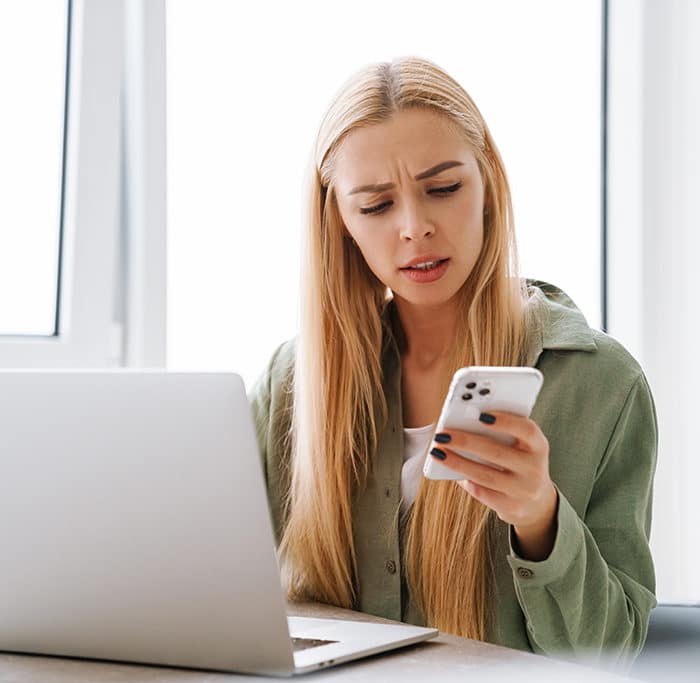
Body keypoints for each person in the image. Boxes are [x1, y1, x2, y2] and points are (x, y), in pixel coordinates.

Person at [250, 56, 657, 666]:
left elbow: (612, 656)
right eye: (376, 206)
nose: (415, 228)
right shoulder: (291, 383)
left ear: (488, 179)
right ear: (338, 220)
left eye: (443, 189)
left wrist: (540, 518)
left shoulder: (603, 385)